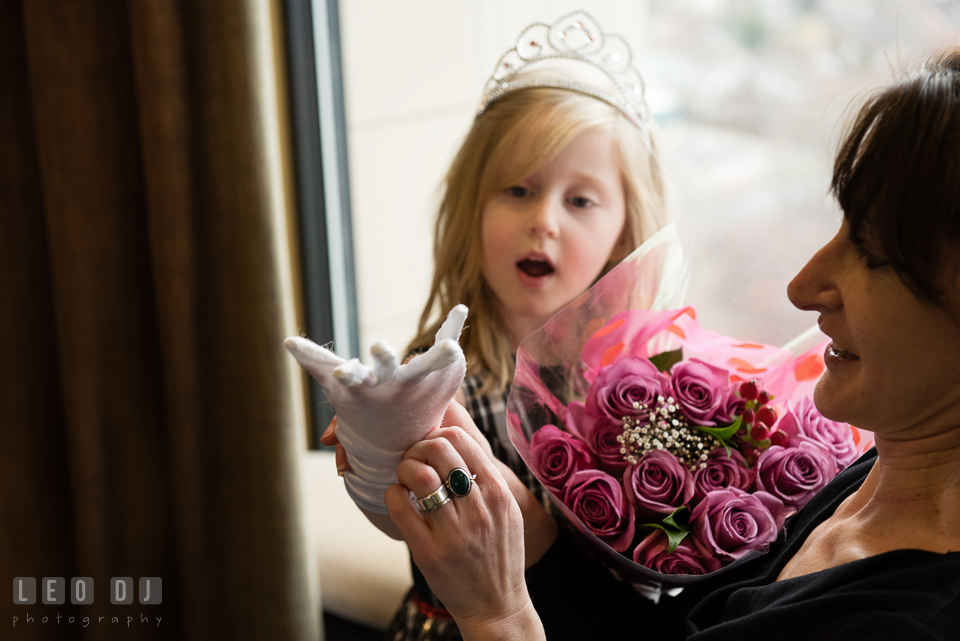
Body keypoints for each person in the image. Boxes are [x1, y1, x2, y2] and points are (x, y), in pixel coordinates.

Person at [385, 48, 960, 640]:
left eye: (874, 252)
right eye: (517, 190)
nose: (801, 286)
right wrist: (530, 538)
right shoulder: (858, 476)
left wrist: (496, 612)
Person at [321, 12, 671, 641]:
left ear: (625, 229)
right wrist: (375, 457)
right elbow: (405, 526)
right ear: (472, 206)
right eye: (517, 189)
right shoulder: (440, 371)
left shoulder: (645, 387)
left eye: (580, 200)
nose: (544, 221)